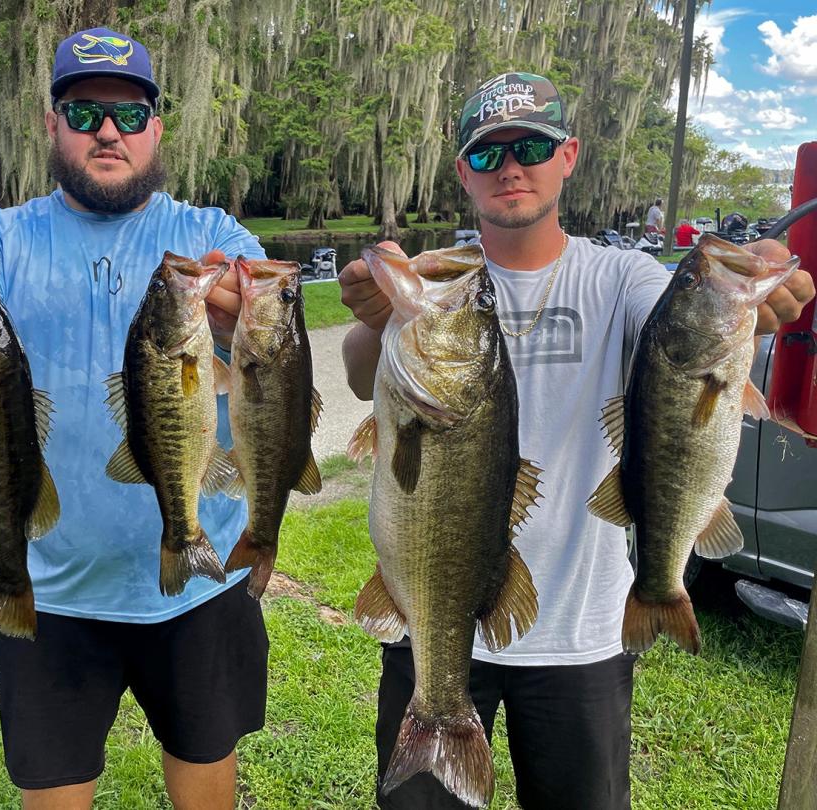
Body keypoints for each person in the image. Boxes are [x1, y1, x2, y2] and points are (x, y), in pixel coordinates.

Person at [338, 71, 814, 810]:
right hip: (431, 614)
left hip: (582, 635)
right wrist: (378, 316)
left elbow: (674, 330)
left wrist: (741, 309)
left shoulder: (620, 275)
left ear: (569, 156)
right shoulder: (440, 281)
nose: (511, 167)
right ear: (464, 172)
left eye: (531, 145)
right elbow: (362, 376)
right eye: (488, 154)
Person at [0, 27, 268, 810]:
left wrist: (245, 327)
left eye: (130, 113)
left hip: (198, 586)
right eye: (85, 113)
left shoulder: (214, 239)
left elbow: (272, 364)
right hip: (50, 593)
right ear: (51, 124)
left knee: (207, 779)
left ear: (158, 125)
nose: (109, 132)